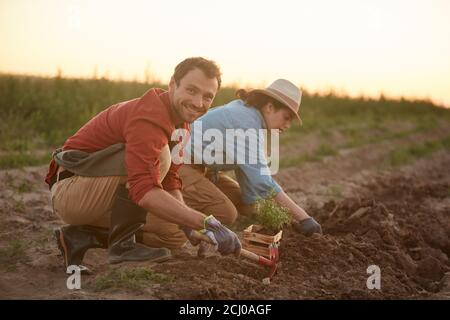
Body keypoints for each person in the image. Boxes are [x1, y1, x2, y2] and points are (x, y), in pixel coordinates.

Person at [46, 57, 241, 272]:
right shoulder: (149, 115)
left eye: (207, 97)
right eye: (192, 90)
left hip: (95, 192)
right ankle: (122, 246)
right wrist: (207, 222)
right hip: (71, 189)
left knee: (173, 233)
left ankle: (80, 236)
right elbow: (144, 188)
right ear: (172, 84)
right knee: (162, 156)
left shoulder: (182, 125)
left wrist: (188, 225)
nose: (198, 103)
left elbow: (171, 181)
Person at [178, 79, 322, 237]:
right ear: (269, 107)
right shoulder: (245, 121)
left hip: (204, 170)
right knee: (226, 213)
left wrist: (280, 219)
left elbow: (247, 172)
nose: (287, 125)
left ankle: (188, 214)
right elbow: (262, 181)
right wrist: (304, 218)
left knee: (246, 204)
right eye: (286, 117)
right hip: (180, 165)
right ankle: (172, 218)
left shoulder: (250, 116)